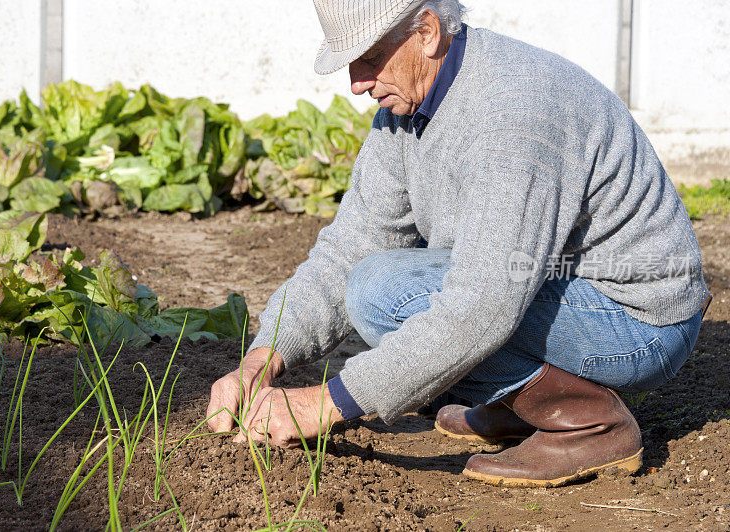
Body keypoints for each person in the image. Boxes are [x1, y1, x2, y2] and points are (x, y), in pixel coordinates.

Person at [207, 0, 711, 488]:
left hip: (638, 318)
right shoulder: (406, 112)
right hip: (555, 283)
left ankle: (588, 423)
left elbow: (483, 305)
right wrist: (263, 357)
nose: (357, 84)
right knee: (374, 280)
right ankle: (520, 401)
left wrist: (327, 402)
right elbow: (348, 248)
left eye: (367, 59)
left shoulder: (511, 115)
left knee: (385, 293)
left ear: (425, 33)